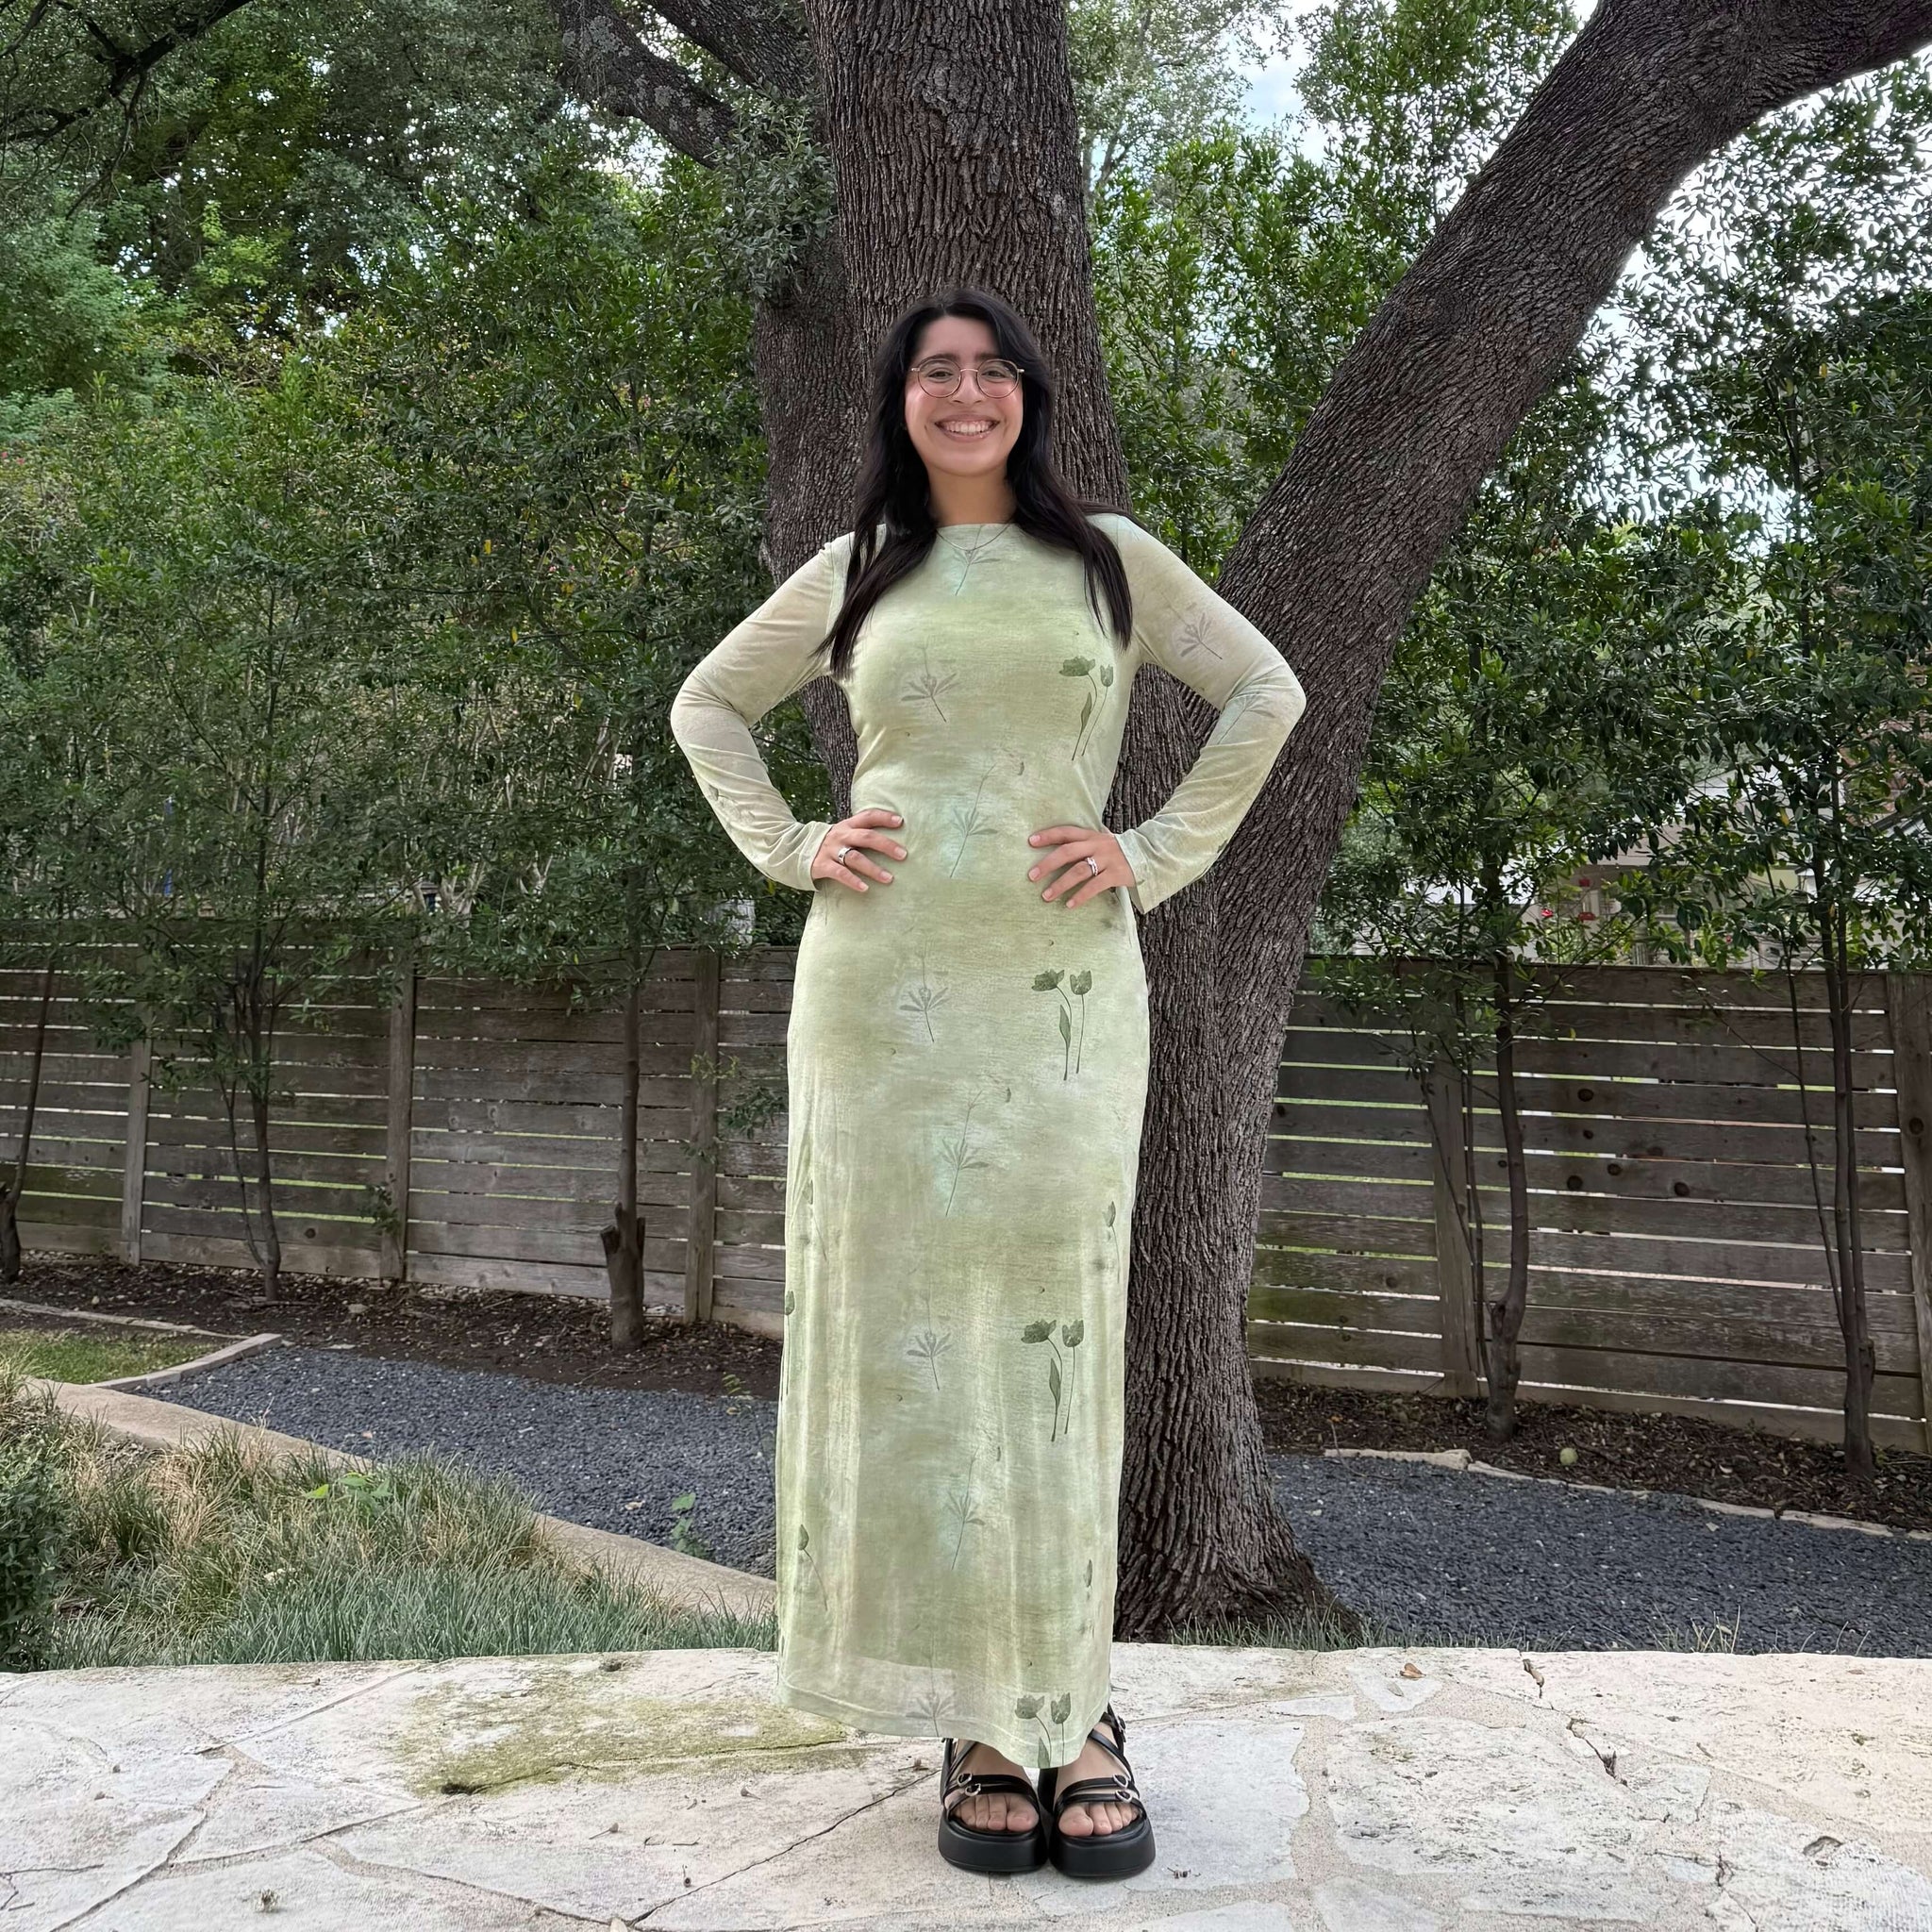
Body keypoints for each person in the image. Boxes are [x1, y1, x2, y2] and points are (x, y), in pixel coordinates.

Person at [668, 286, 1307, 1880]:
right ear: (899, 401)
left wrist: (1154, 853)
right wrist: (794, 846)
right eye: (936, 371)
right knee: (916, 1345)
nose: (967, 392)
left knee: (1053, 1337)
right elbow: (707, 707)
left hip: (1058, 1000)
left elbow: (1267, 692)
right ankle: (975, 1724)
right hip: (878, 996)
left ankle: (1072, 1712)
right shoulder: (857, 571)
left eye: (992, 368)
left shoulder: (1111, 560)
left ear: (1029, 395)